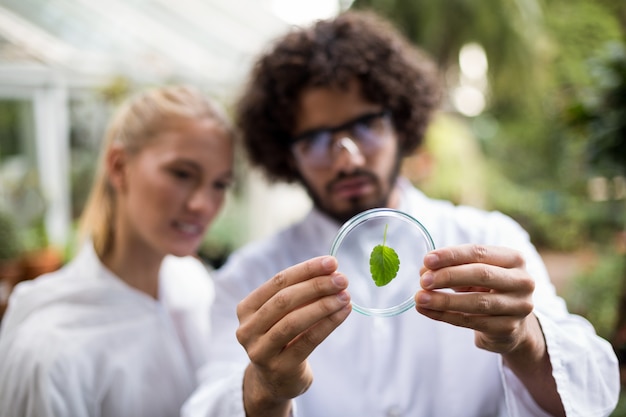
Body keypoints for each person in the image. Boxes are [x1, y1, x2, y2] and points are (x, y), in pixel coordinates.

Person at [182, 10, 620, 417]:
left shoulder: (488, 237)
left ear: (401, 123)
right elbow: (208, 404)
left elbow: (592, 393)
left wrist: (526, 337)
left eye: (365, 126)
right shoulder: (249, 278)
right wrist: (265, 386)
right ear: (285, 154)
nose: (347, 160)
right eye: (315, 139)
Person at [0, 85, 234, 417]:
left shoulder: (193, 284)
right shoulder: (52, 347)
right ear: (119, 166)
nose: (203, 204)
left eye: (220, 184)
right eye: (182, 174)